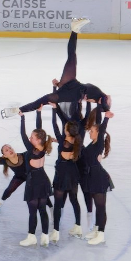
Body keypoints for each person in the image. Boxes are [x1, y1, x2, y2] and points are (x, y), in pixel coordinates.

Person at [2, 20, 113, 118]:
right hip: (72, 84)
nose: (110, 99)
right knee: (71, 58)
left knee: (44, 99)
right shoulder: (99, 96)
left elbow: (105, 106)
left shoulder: (102, 99)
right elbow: (104, 104)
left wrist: (106, 110)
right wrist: (58, 85)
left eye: (108, 102)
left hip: (71, 94)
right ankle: (74, 30)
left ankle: (17, 110)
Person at [48, 101, 87, 243]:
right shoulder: (78, 140)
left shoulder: (62, 140)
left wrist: (54, 110)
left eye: (65, 127)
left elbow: (54, 124)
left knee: (58, 203)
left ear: (67, 131)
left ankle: (56, 232)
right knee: (74, 200)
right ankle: (78, 227)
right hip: (73, 173)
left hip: (62, 174)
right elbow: (69, 147)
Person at [17, 110, 53, 247]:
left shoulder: (32, 150)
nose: (30, 139)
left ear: (38, 140)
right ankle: (45, 237)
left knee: (33, 212)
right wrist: (38, 113)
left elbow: (22, 135)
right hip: (43, 180)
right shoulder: (43, 146)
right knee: (42, 209)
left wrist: (22, 118)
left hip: (33, 182)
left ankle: (31, 237)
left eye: (32, 137)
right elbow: (40, 130)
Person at [82, 108, 114, 245]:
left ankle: (101, 234)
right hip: (92, 176)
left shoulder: (99, 142)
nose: (90, 132)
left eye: (92, 131)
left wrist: (106, 118)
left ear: (98, 133)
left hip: (99, 177)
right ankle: (96, 230)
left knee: (101, 207)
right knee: (97, 205)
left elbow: (102, 129)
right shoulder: (92, 143)